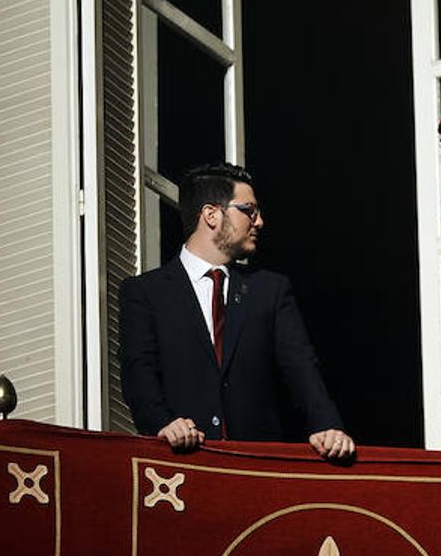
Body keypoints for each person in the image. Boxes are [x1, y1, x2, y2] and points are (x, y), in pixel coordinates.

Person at [119, 162, 354, 461]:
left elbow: (301, 368)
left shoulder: (270, 291)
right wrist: (162, 424)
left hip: (256, 471)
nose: (259, 222)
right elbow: (139, 373)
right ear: (211, 214)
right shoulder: (144, 293)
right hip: (179, 466)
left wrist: (328, 427)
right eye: (249, 211)